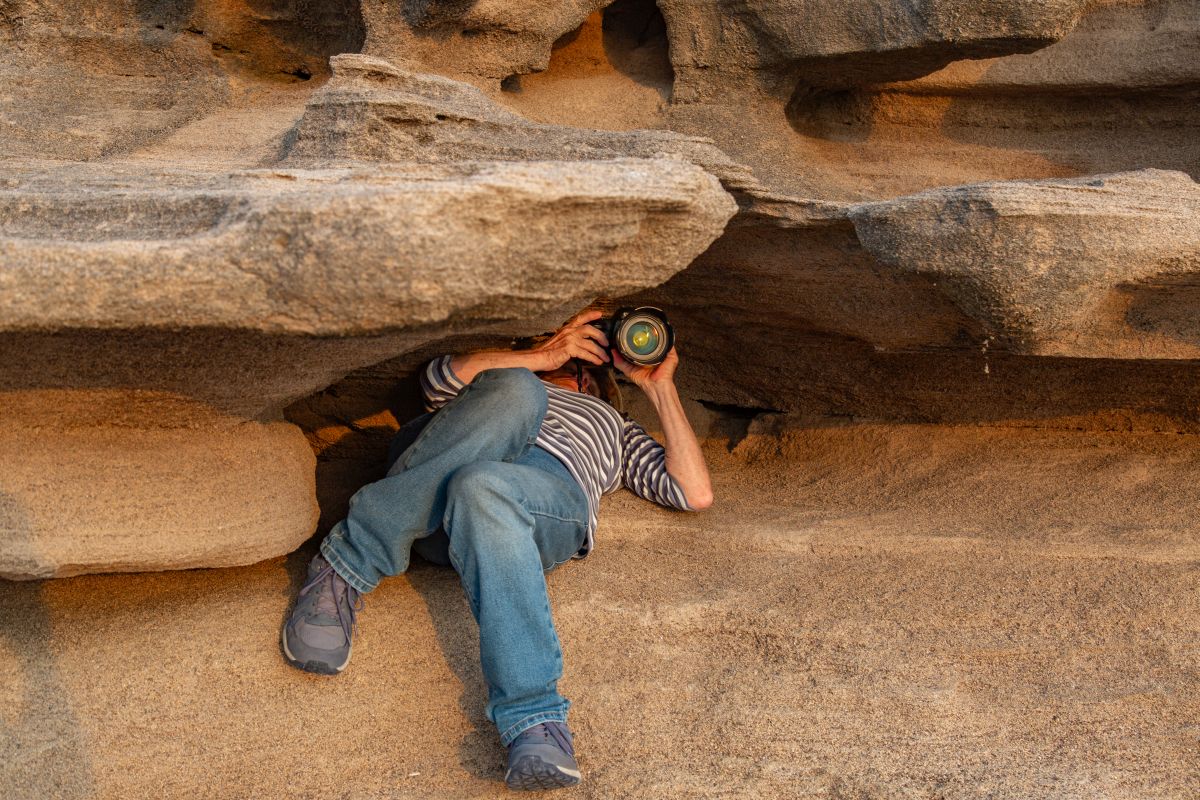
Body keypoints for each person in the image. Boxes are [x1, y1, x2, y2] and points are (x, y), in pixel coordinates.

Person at [281, 308, 712, 791]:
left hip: (536, 503)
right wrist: (538, 357)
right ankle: (346, 566)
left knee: (484, 485)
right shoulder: (503, 380)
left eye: (587, 363)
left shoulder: (614, 424)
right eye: (575, 350)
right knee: (513, 395)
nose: (576, 364)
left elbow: (693, 493)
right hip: (436, 490)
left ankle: (533, 719)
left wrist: (659, 387)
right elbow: (438, 376)